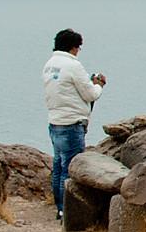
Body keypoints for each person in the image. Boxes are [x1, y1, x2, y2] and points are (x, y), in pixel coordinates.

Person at [42, 28, 107, 220]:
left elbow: (66, 88)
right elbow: (90, 94)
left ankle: (59, 207)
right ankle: (67, 211)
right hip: (72, 123)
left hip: (55, 121)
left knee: (58, 166)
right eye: (78, 48)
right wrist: (98, 84)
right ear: (73, 47)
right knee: (70, 169)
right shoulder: (73, 66)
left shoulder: (49, 65)